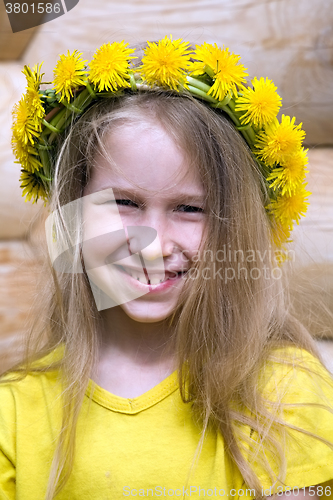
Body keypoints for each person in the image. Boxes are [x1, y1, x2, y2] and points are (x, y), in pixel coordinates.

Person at [2, 37, 333, 500]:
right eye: (124, 203)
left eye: (190, 209)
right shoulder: (14, 412)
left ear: (233, 225)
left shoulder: (281, 392)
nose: (153, 245)